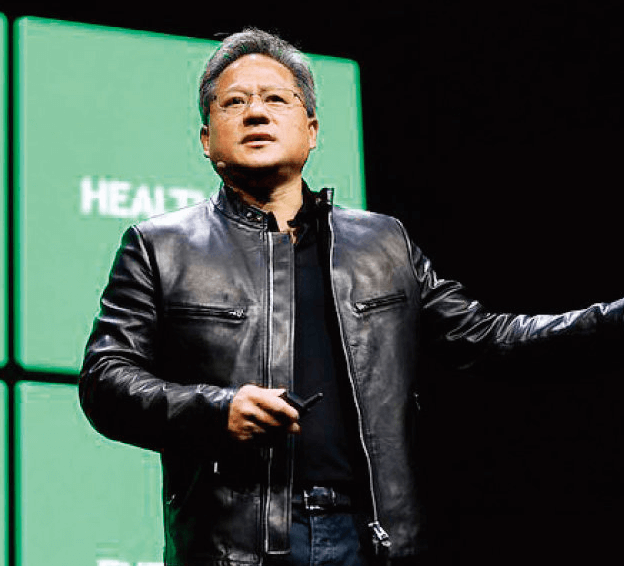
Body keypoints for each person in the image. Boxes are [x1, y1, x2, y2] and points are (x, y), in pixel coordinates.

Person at [79, 28, 624, 566]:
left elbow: (489, 339)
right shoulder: (160, 246)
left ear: (312, 129)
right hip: (235, 546)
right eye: (235, 102)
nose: (256, 112)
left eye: (276, 99)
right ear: (206, 139)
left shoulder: (383, 241)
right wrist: (217, 410)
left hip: (370, 538)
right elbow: (106, 381)